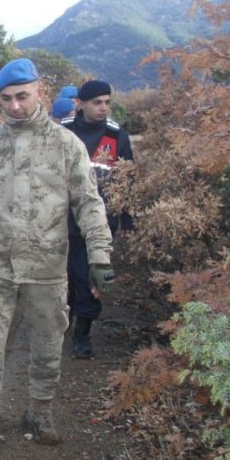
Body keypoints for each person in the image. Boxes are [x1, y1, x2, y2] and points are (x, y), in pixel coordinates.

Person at [0, 58, 114, 460]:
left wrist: (99, 254)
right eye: (6, 100)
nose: (15, 106)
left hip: (46, 263)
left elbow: (88, 203)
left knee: (48, 344)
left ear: (40, 92)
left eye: (22, 96)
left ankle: (39, 411)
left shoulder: (66, 145)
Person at [61, 79, 134, 358]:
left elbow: (127, 180)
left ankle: (83, 332)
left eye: (107, 102)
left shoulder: (117, 136)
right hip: (62, 218)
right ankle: (61, 320)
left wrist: (126, 221)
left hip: (101, 221)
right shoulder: (63, 132)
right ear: (81, 104)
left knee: (90, 275)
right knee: (63, 273)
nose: (103, 108)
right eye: (97, 102)